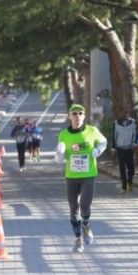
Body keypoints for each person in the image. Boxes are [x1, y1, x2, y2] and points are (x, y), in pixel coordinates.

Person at [55, 104, 107, 253]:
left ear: (84, 116)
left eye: (80, 114)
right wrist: (59, 154)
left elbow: (103, 142)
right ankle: (78, 240)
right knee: (73, 207)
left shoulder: (92, 131)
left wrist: (98, 150)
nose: (77, 116)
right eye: (74, 114)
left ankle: (86, 226)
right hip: (71, 176)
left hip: (89, 175)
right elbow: (61, 154)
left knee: (84, 206)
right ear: (70, 116)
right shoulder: (64, 134)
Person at [112, 113, 137, 192]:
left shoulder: (133, 122)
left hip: (130, 148)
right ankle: (124, 186)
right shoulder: (116, 123)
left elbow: (135, 134)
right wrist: (113, 148)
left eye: (125, 112)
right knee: (122, 168)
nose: (124, 114)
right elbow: (114, 136)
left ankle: (130, 182)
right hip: (120, 148)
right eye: (122, 112)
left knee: (131, 168)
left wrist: (135, 144)